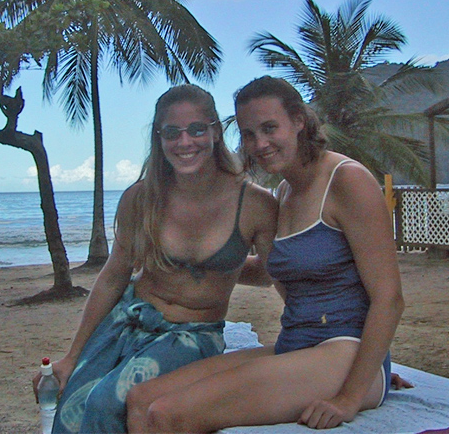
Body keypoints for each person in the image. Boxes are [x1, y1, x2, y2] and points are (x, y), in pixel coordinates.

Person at [126, 76, 405, 432]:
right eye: (248, 133)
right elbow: (271, 270)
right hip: (298, 344)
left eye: (270, 128)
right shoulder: (285, 193)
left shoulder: (347, 180)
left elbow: (390, 299)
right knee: (141, 399)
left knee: (168, 414)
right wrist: (190, 259)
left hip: (343, 347)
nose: (260, 143)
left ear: (299, 121)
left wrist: (351, 394)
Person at [35, 84, 278, 434]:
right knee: (73, 404)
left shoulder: (254, 204)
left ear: (215, 131)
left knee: (106, 403)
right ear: (158, 137)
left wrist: (224, 266)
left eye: (196, 129)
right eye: (171, 132)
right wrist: (72, 356)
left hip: (192, 336)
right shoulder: (142, 197)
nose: (185, 142)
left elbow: (272, 275)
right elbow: (114, 275)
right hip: (128, 320)